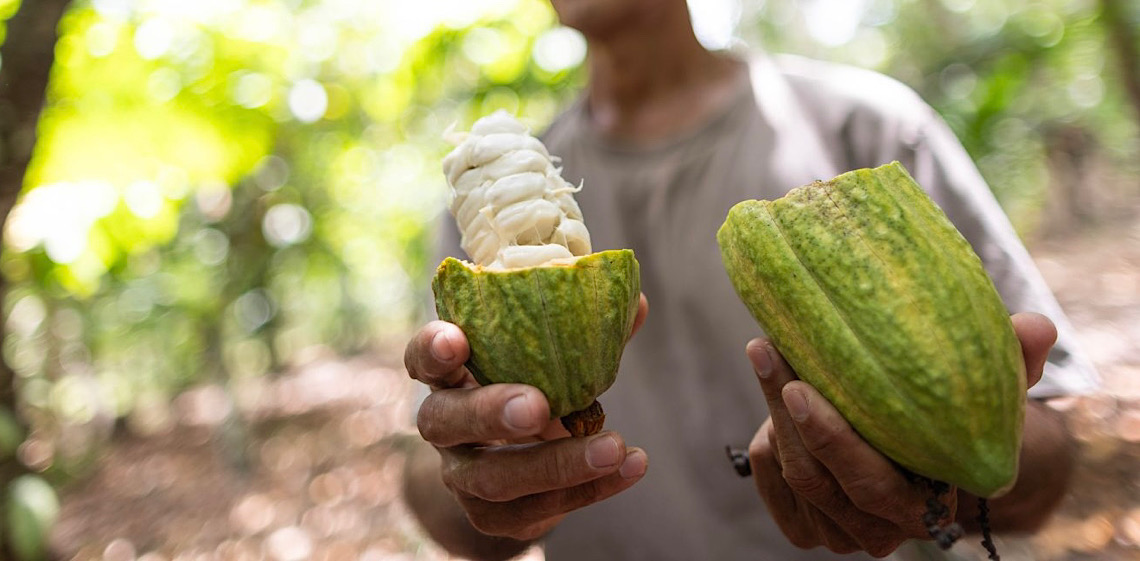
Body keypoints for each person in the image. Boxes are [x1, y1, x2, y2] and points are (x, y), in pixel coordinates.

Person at [400, 1, 1100, 560]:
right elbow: (434, 481)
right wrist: (475, 478)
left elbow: (1038, 452)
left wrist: (937, 476)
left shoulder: (868, 128)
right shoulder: (476, 215)